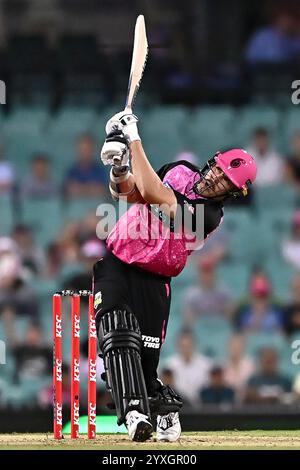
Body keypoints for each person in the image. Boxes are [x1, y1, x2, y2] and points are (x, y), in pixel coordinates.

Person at [94, 110, 257, 442]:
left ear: (231, 194)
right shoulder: (180, 171)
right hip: (117, 263)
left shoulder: (209, 216)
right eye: (219, 171)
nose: (217, 179)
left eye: (227, 181)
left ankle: (161, 407)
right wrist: (119, 169)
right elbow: (130, 194)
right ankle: (135, 414)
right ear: (211, 162)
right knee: (116, 332)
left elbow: (156, 194)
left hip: (156, 281)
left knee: (144, 362)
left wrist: (132, 136)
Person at [163, 329, 212, 406]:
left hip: (202, 407)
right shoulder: (170, 365)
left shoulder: (206, 365)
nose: (186, 349)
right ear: (177, 346)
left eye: (188, 346)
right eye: (183, 346)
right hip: (177, 406)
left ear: (194, 345)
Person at [183, 255, 234, 325]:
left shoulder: (224, 292)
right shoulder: (191, 295)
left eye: (209, 272)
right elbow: (189, 322)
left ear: (215, 273)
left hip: (220, 328)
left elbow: (230, 320)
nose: (207, 276)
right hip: (200, 329)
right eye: (204, 272)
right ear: (199, 273)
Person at [64, 134, 107, 198]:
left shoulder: (101, 171)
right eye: (82, 150)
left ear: (92, 150)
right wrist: (91, 188)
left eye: (87, 149)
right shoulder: (71, 172)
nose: (84, 153)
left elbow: (103, 190)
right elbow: (70, 191)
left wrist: (81, 189)